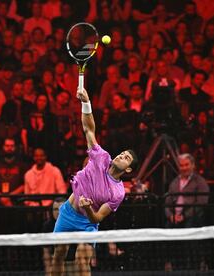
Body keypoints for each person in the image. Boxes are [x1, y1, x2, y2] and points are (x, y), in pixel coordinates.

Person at [51, 87, 139, 276]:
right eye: (122, 153)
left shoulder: (118, 192)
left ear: (128, 169)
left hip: (87, 222)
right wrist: (86, 102)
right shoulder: (101, 157)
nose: (121, 156)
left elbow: (98, 218)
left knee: (83, 258)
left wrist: (89, 208)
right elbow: (89, 129)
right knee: (58, 254)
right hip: (68, 212)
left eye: (126, 158)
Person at [164, 153, 209, 271]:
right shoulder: (174, 182)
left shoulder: (200, 181)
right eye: (181, 165)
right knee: (167, 229)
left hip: (192, 216)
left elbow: (202, 203)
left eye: (186, 165)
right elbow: (167, 203)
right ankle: (173, 264)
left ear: (193, 165)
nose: (184, 168)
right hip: (175, 216)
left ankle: (196, 265)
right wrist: (171, 216)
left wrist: (184, 216)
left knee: (190, 228)